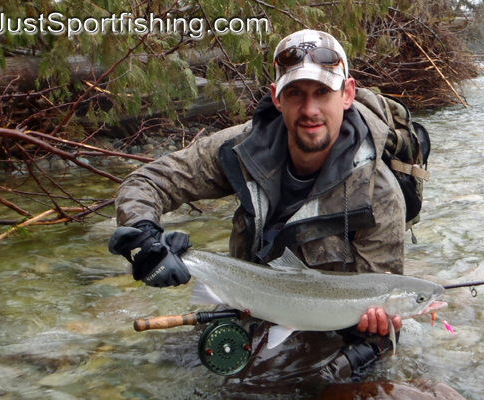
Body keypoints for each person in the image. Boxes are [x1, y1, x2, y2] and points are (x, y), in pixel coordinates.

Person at [109, 29, 406, 384]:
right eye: (295, 93)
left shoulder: (379, 194)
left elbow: (377, 313)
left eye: (322, 92)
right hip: (244, 298)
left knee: (262, 386)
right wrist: (145, 237)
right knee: (162, 369)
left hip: (323, 326)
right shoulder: (241, 150)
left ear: (347, 94)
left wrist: (375, 328)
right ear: (277, 98)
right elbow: (147, 181)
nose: (310, 110)